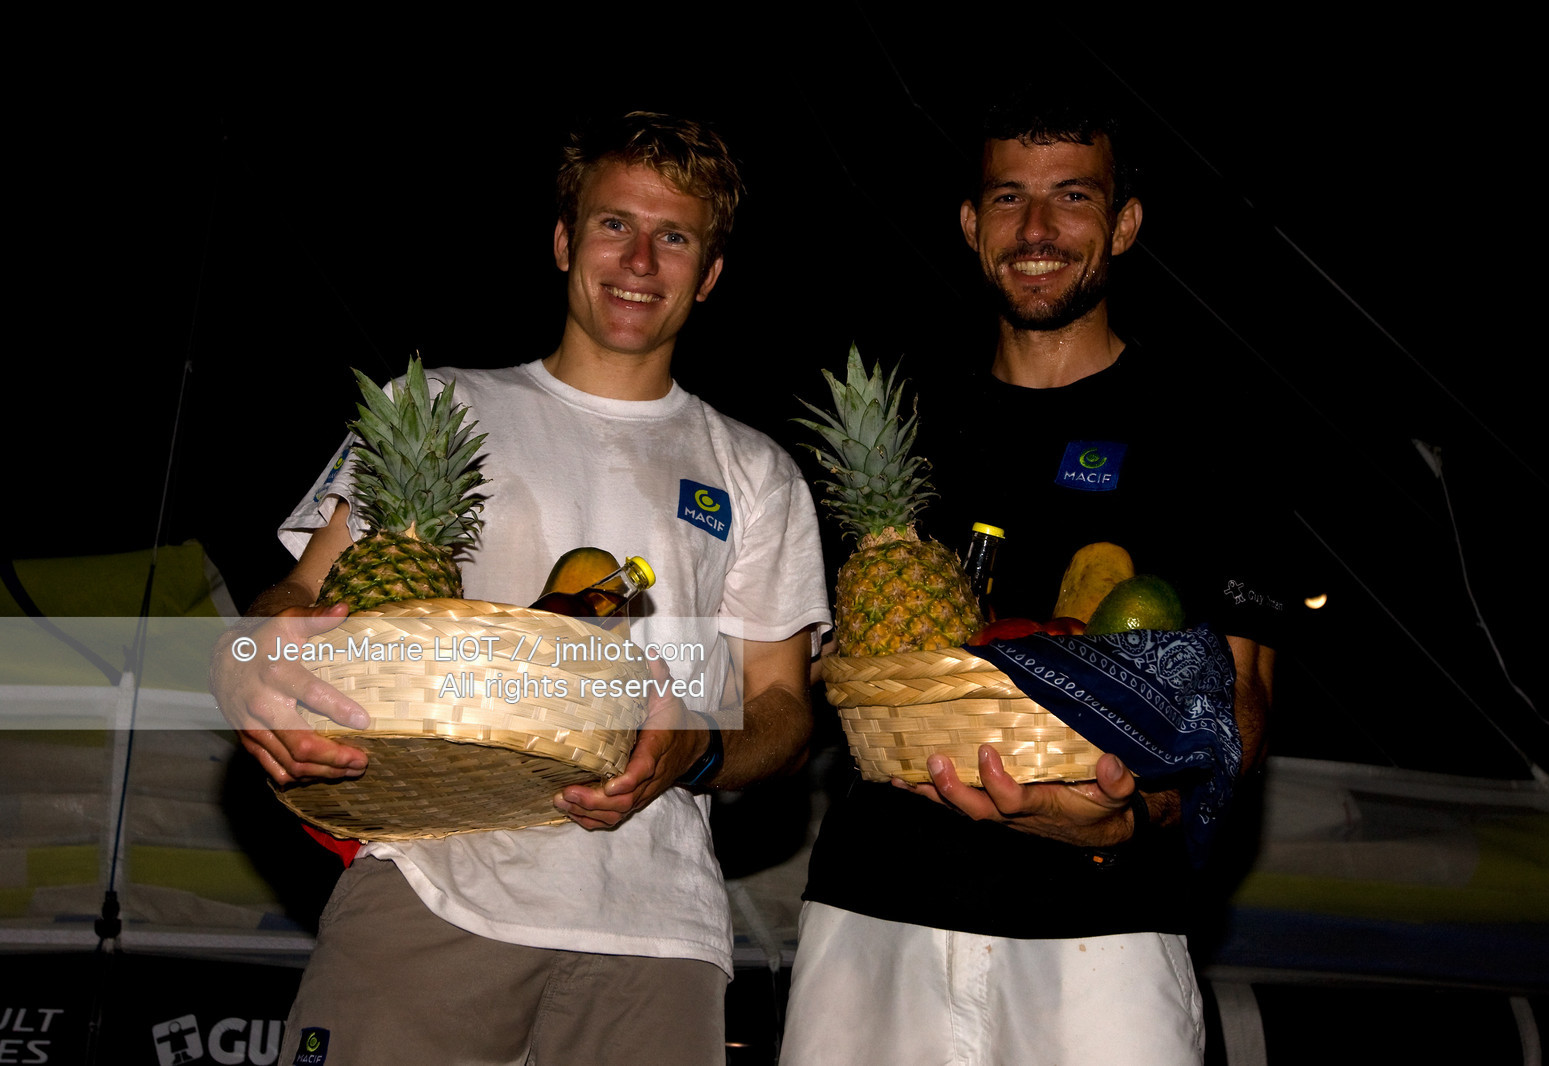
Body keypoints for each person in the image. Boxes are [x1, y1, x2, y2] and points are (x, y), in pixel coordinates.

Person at [210, 112, 832, 1066]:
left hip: (658, 932)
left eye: (675, 237)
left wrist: (694, 751)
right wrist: (252, 664)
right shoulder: (440, 407)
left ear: (709, 275)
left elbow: (783, 708)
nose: (639, 259)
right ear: (562, 241)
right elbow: (294, 599)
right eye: (614, 224)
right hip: (428, 883)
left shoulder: (756, 471)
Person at [780, 94, 1284, 1066]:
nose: (1037, 230)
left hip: (1105, 934)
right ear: (971, 226)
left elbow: (1243, 696)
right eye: (1008, 197)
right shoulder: (900, 430)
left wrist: (1126, 816)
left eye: (1072, 197)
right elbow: (817, 658)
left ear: (1124, 223)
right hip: (874, 916)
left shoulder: (1213, 434)